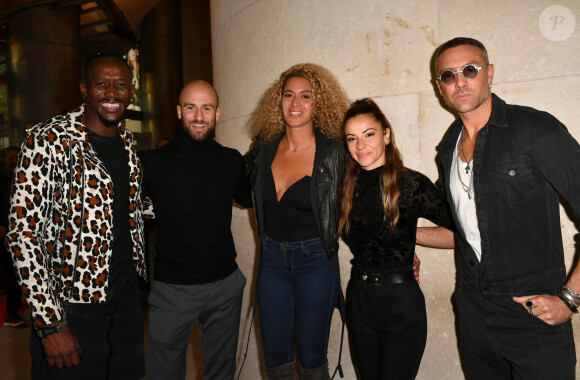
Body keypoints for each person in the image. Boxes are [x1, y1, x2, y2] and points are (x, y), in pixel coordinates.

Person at [433, 37, 580, 379]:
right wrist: (398, 240)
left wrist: (570, 299)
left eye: (470, 70)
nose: (460, 81)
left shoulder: (534, 129)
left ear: (490, 73)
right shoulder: (446, 150)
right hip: (474, 314)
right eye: (448, 76)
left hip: (533, 312)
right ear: (440, 88)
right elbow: (464, 231)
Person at [6, 52, 147, 379]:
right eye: (101, 83)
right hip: (72, 309)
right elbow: (22, 236)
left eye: (121, 84)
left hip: (125, 305)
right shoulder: (47, 139)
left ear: (131, 92)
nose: (112, 92)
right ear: (84, 88)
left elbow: (128, 209)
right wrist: (50, 324)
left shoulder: (128, 143)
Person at [244, 63, 351, 379]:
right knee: (275, 358)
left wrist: (397, 252)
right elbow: (238, 187)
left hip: (315, 261)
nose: (295, 104)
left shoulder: (334, 152)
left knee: (311, 356)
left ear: (319, 103)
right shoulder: (264, 147)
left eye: (306, 96)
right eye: (288, 95)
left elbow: (357, 208)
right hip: (272, 261)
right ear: (278, 101)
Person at [142, 80, 251, 380]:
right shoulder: (151, 163)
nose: (199, 116)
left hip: (224, 287)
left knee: (221, 373)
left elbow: (254, 197)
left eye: (207, 108)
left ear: (218, 114)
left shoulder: (231, 160)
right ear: (179, 111)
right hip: (171, 289)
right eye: (191, 107)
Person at [339, 99, 454, 379]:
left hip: (400, 304)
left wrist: (408, 236)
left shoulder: (411, 184)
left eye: (369, 134)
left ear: (386, 135)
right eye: (352, 138)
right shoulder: (344, 188)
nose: (360, 145)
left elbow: (459, 234)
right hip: (359, 298)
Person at [0, 146, 25, 327]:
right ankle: (10, 313)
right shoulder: (2, 179)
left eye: (18, 156)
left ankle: (13, 310)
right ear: (4, 159)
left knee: (18, 273)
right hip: (4, 232)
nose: (15, 160)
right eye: (11, 157)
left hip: (20, 232)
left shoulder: (23, 177)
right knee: (12, 273)